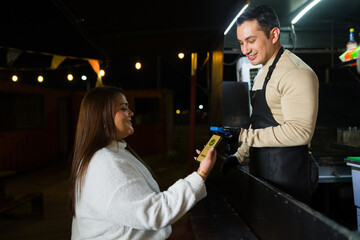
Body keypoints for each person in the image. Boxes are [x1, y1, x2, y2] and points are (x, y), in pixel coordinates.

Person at [69, 86, 217, 240]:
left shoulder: (109, 154)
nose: (131, 113)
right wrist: (201, 173)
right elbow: (154, 212)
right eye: (124, 108)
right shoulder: (104, 164)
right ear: (102, 117)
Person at [220, 5, 319, 202]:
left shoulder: (296, 72)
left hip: (290, 179)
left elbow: (300, 131)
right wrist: (239, 155)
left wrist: (243, 135)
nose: (244, 50)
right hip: (265, 174)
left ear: (273, 35)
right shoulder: (263, 71)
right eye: (241, 42)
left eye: (251, 41)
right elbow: (260, 124)